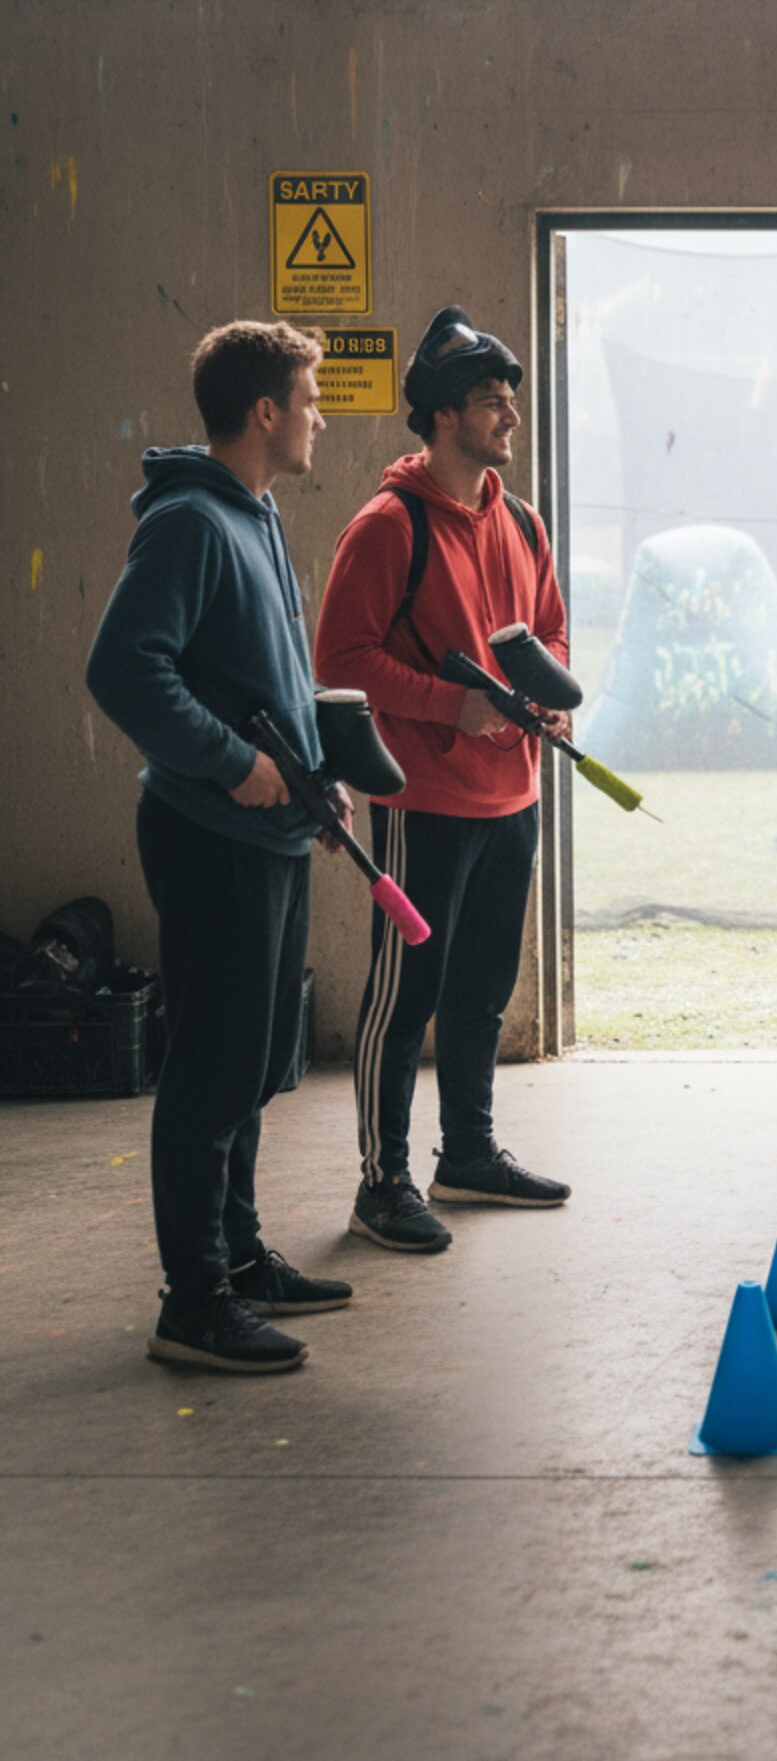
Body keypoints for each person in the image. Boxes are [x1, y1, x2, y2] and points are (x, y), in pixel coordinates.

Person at [86, 321, 354, 1372]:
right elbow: (123, 669)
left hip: (270, 827)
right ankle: (192, 1301)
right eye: (311, 397)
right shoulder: (192, 523)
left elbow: (263, 681)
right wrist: (230, 764)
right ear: (264, 412)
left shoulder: (257, 512)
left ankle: (238, 1259)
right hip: (210, 830)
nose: (320, 416)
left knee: (255, 1061)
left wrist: (311, 786)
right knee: (210, 1065)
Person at [315, 306, 574, 1253]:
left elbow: (548, 633)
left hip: (515, 796)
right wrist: (447, 704)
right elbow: (339, 661)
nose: (507, 414)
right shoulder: (387, 527)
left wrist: (546, 700)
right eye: (486, 400)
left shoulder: (523, 520)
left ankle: (466, 1153)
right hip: (420, 798)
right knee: (403, 997)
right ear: (438, 415)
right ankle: (380, 1186)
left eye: (508, 398)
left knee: (481, 991)